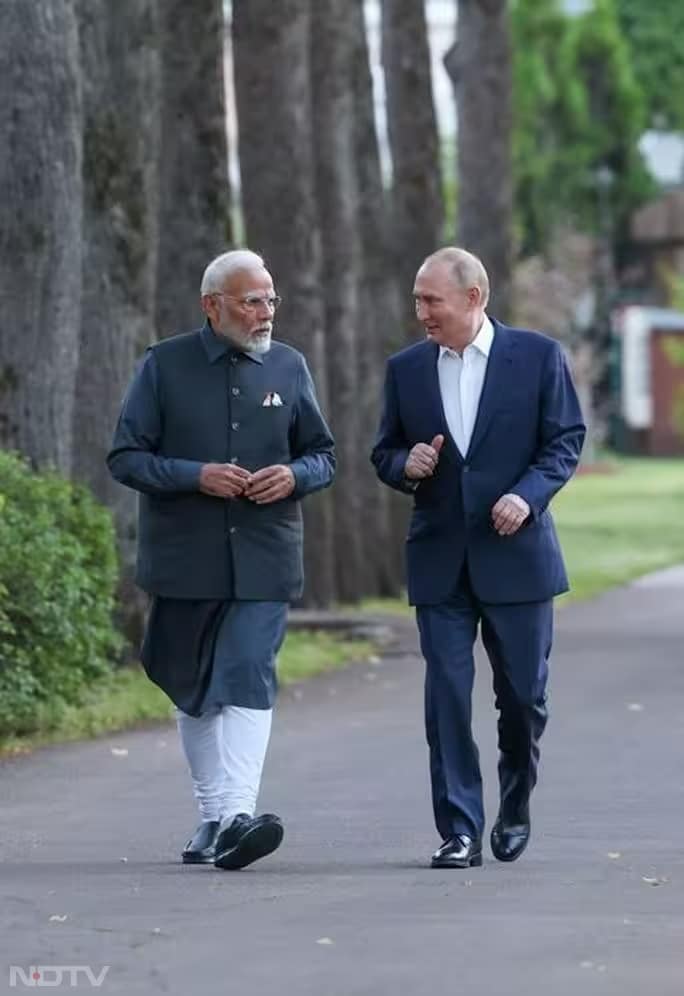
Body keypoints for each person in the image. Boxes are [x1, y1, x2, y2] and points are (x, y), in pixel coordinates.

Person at [108, 249, 335, 870]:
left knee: (245, 670)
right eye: (251, 301)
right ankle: (213, 817)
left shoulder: (289, 367)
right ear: (213, 306)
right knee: (190, 686)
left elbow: (323, 456)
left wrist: (292, 476)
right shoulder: (163, 366)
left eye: (270, 300)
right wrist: (193, 476)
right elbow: (126, 456)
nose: (265, 313)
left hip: (265, 555)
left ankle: (237, 814)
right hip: (186, 559)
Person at [371, 247, 585, 869]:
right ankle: (459, 829)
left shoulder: (539, 357)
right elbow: (383, 450)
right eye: (417, 299)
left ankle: (515, 803)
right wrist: (403, 466)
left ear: (474, 297)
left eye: (431, 299)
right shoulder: (406, 369)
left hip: (517, 558)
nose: (420, 312)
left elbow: (565, 439)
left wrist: (528, 495)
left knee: (522, 697)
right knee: (446, 695)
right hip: (440, 560)